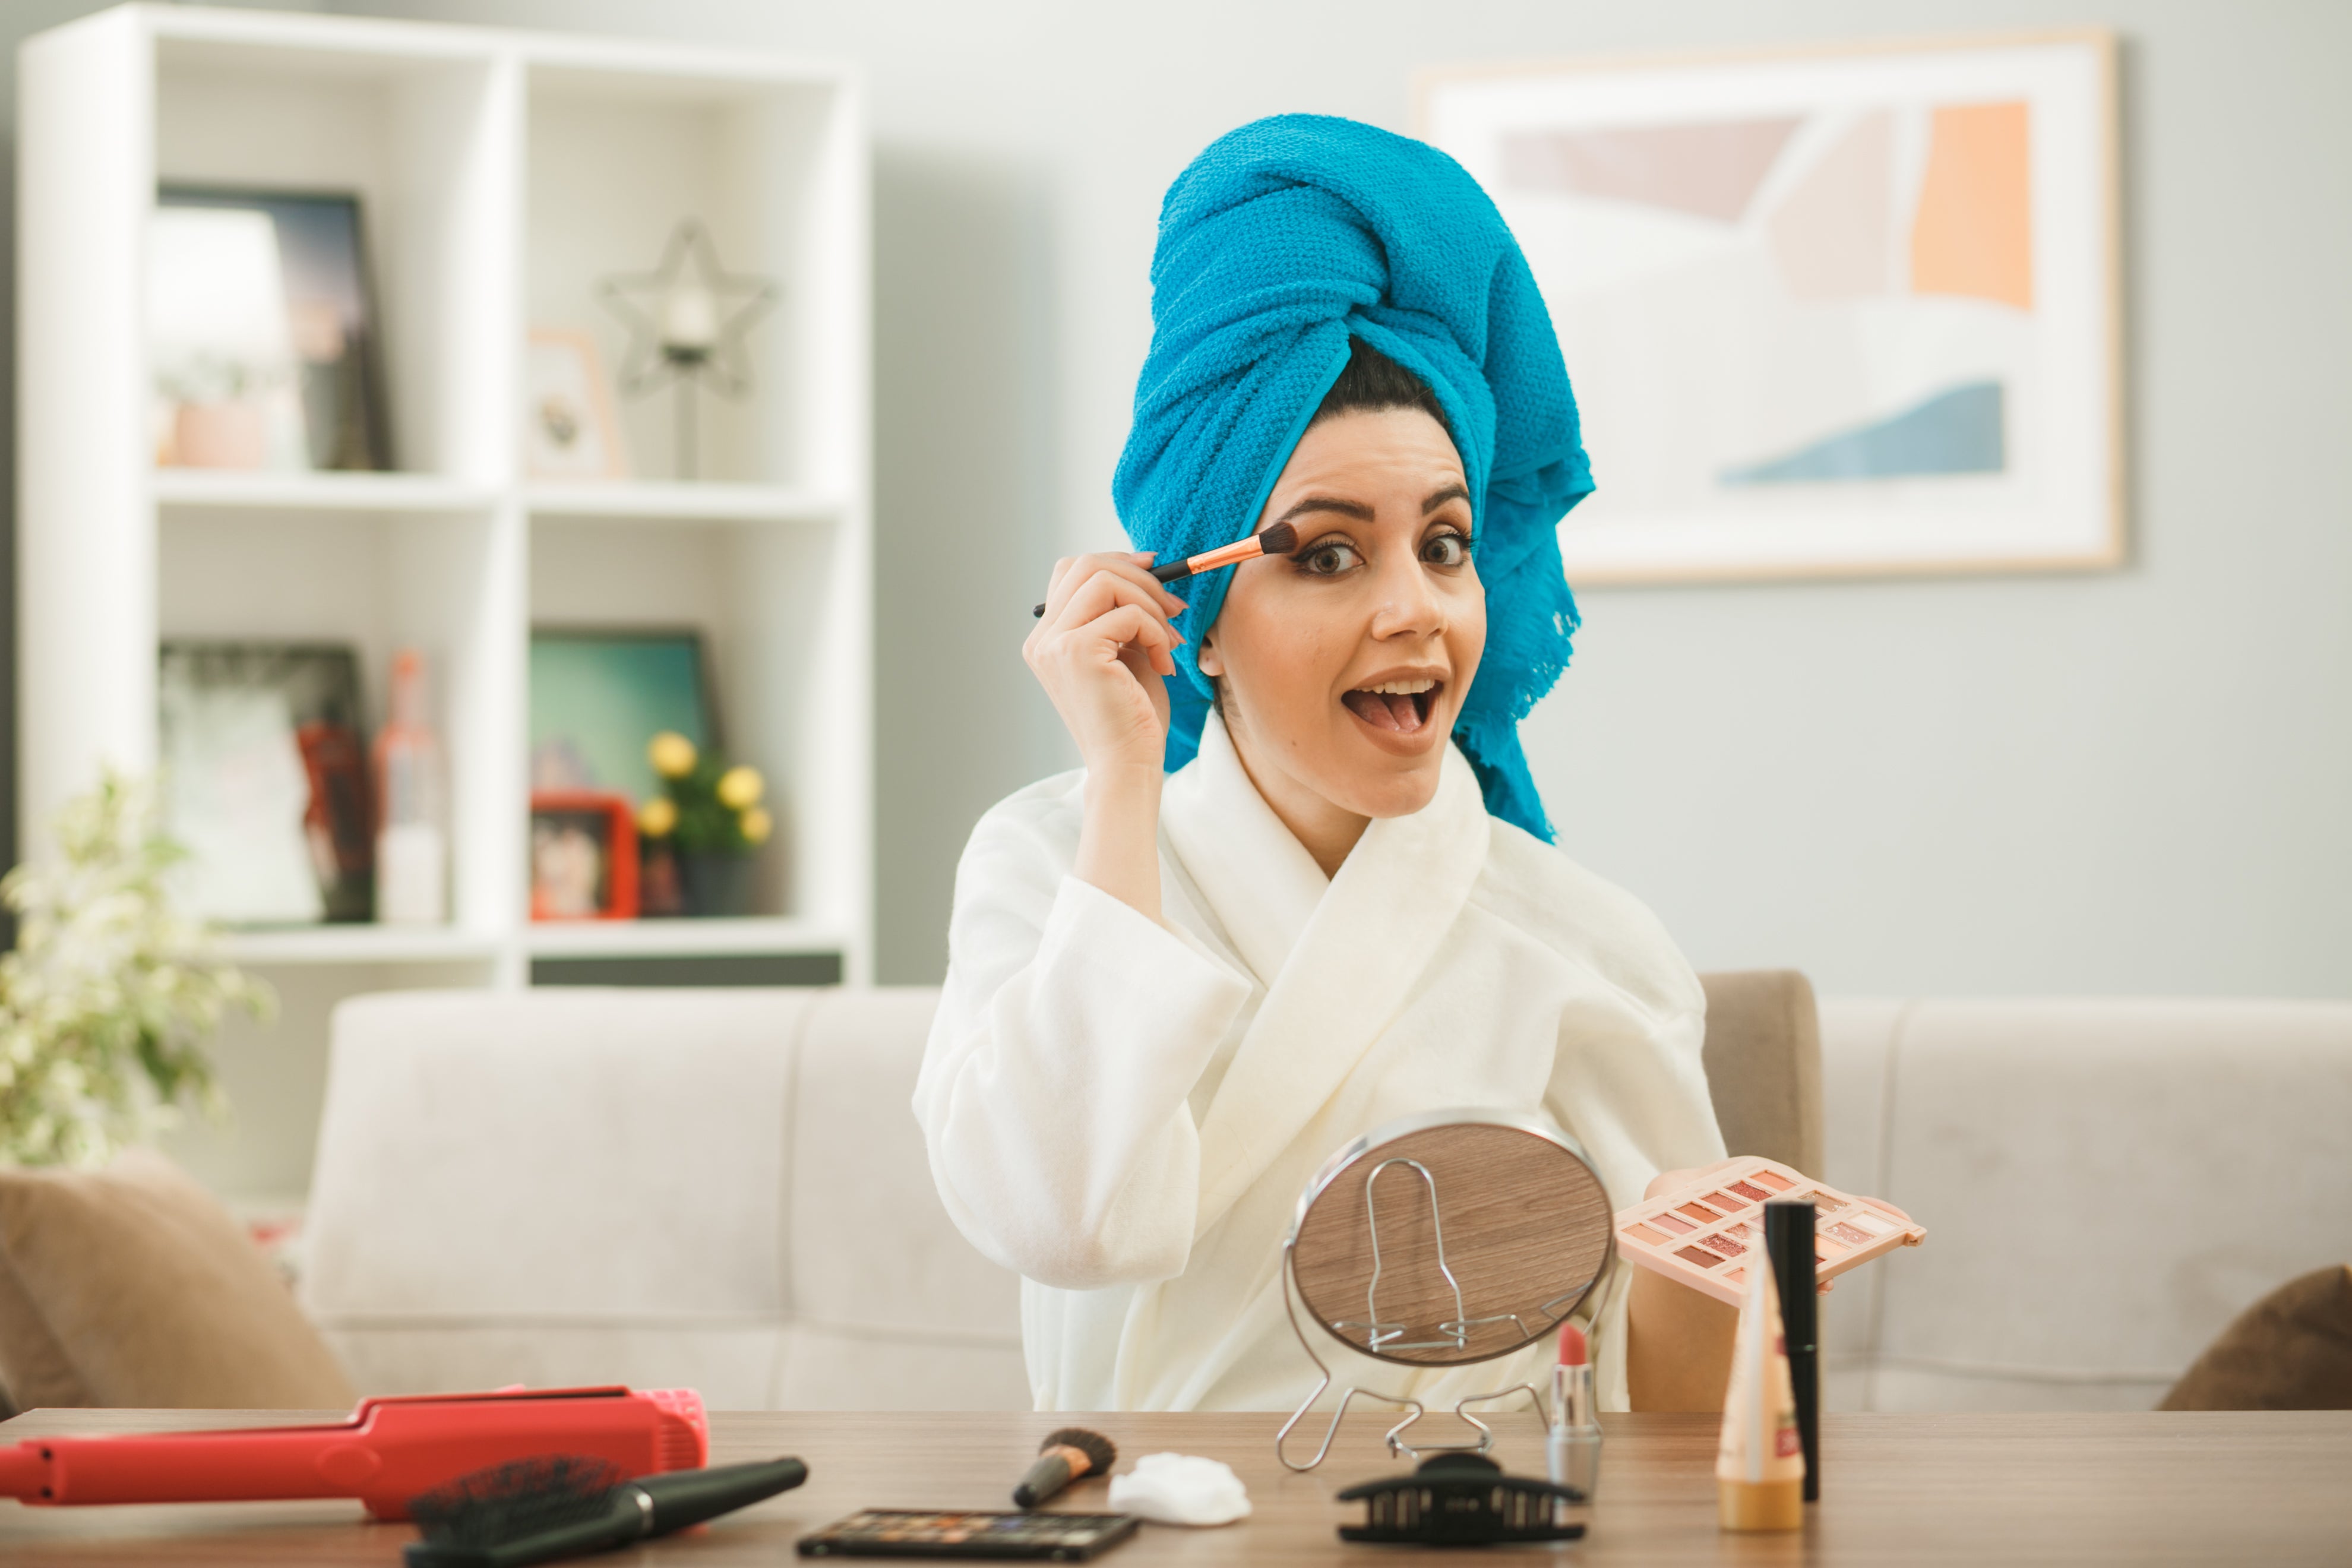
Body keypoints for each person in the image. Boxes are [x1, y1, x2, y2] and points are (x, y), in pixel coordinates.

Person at [915, 115, 1734, 1417]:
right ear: (1191, 612)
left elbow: (1693, 1423)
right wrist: (1125, 781)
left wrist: (1746, 1270)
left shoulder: (1594, 953)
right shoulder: (1046, 864)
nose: (1416, 609)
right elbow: (1065, 1224)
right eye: (1328, 555)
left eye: (1447, 544)